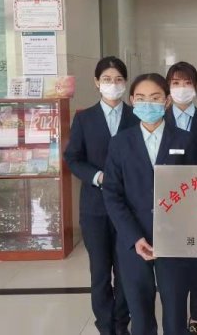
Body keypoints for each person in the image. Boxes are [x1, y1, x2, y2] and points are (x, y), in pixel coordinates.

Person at [103, 73, 197, 335]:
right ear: (132, 101)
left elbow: (196, 190)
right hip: (134, 239)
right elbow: (112, 194)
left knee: (176, 309)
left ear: (167, 101)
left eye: (155, 98)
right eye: (141, 98)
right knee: (140, 312)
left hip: (174, 239)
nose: (148, 104)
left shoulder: (185, 140)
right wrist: (134, 237)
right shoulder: (120, 143)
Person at [64, 56, 137, 335]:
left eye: (118, 79)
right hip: (95, 208)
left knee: (126, 270)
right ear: (96, 83)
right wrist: (98, 176)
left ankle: (121, 323)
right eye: (107, 79)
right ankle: (105, 326)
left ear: (125, 82)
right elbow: (73, 158)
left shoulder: (136, 116)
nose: (113, 84)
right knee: (100, 272)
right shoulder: (84, 118)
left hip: (130, 208)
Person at [164, 61, 197, 334]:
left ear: (196, 87)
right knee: (172, 263)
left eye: (187, 83)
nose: (181, 88)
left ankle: (196, 316)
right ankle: (174, 314)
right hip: (167, 204)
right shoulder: (159, 118)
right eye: (175, 83)